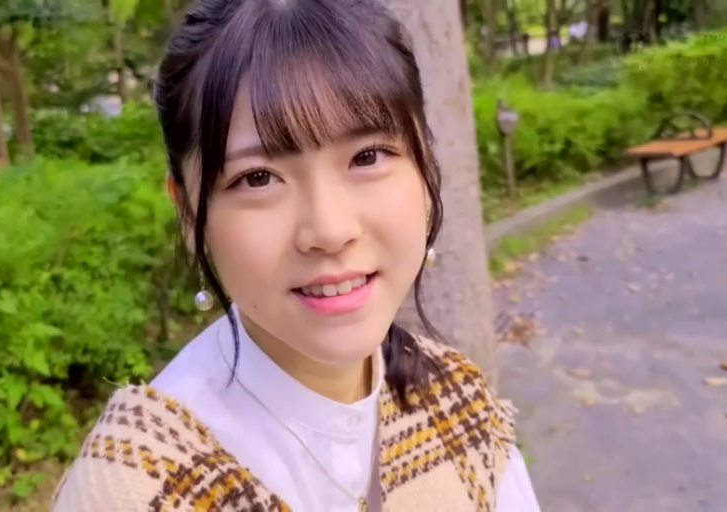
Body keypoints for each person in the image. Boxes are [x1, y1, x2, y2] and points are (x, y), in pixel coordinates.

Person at [51, 0, 541, 510]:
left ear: (425, 165)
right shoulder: (131, 488)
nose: (330, 231)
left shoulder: (459, 405)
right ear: (190, 213)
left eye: (367, 156)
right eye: (258, 178)